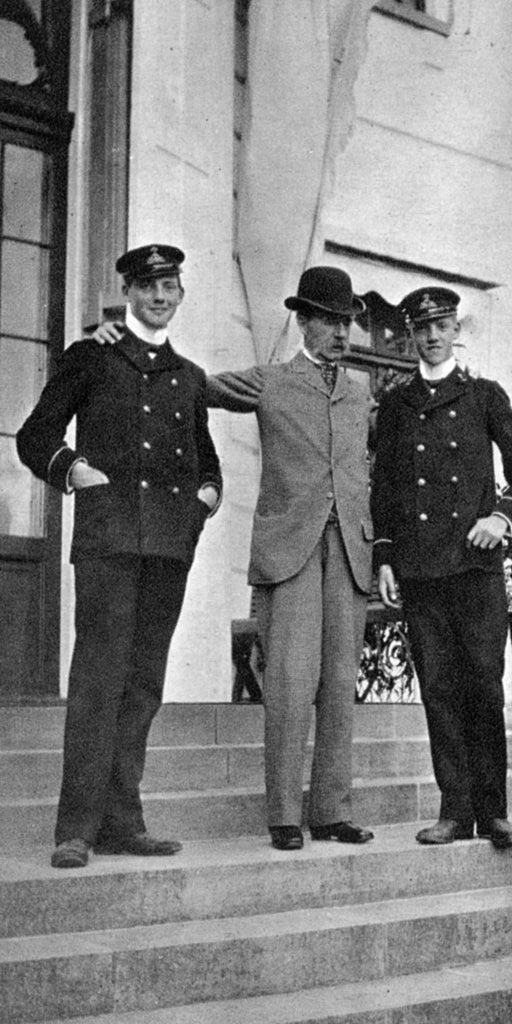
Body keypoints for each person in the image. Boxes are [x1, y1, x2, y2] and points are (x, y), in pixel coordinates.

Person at [93, 265, 375, 851]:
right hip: (290, 551)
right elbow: (192, 385)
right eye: (328, 320)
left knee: (340, 683)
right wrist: (116, 339)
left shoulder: (361, 392)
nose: (340, 333)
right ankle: (284, 816)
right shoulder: (269, 381)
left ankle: (330, 811)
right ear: (303, 322)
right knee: (292, 685)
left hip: (349, 548)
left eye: (346, 322)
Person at [17, 243, 222, 869]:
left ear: (181, 295)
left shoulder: (188, 376)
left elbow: (207, 461)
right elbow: (35, 436)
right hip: (108, 544)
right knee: (98, 682)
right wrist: (73, 470)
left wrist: (204, 499)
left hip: (167, 549)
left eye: (170, 287)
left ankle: (122, 822)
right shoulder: (92, 357)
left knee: (143, 686)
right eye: (148, 285)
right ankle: (75, 827)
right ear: (129, 292)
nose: (160, 297)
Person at [372, 286, 512, 849]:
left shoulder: (485, 396)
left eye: (441, 325)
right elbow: (386, 490)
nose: (431, 336)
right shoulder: (396, 407)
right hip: (421, 570)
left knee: (484, 688)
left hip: (476, 569)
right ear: (410, 336)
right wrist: (386, 557)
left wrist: (501, 518)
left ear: (455, 331)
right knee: (438, 690)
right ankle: (454, 809)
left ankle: (493, 810)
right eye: (421, 328)